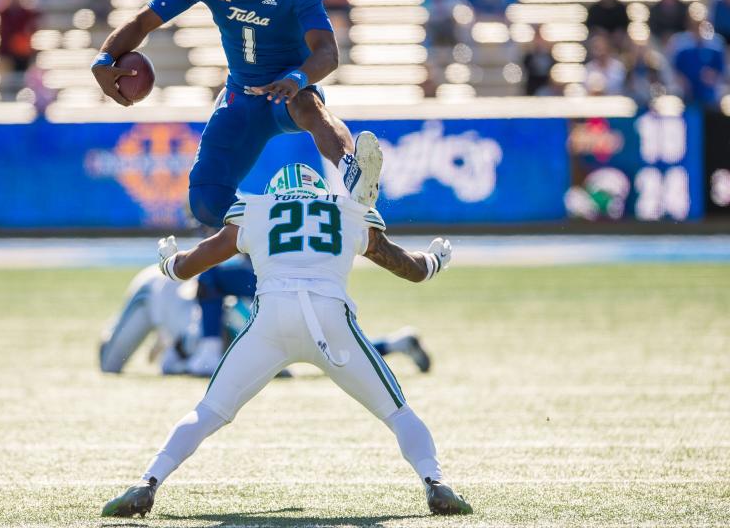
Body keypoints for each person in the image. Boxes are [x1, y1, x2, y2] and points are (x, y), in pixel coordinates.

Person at [100, 163, 471, 517]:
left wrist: (169, 263)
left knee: (208, 411)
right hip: (330, 318)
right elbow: (411, 268)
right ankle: (434, 481)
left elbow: (193, 264)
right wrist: (435, 261)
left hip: (271, 320)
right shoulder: (347, 210)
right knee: (398, 412)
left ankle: (147, 482)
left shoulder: (256, 209)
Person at [91, 0, 383, 230]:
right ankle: (274, 231)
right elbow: (145, 20)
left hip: (287, 90)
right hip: (240, 96)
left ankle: (351, 171)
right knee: (205, 203)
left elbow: (328, 53)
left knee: (308, 105)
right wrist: (104, 57)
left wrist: (297, 78)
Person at [99, 263, 432, 376]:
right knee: (109, 362)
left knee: (317, 347)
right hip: (155, 290)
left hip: (207, 306)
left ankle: (396, 342)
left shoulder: (246, 306)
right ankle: (111, 332)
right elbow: (201, 289)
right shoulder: (225, 313)